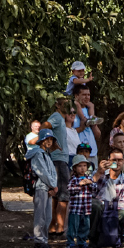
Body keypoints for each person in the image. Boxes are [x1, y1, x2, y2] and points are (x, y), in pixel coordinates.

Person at [25, 129, 59, 248]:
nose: (49, 142)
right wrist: (53, 185)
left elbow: (52, 172)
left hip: (48, 188)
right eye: (47, 139)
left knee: (48, 216)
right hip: (41, 187)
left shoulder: (47, 154)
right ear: (41, 140)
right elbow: (42, 172)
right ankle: (39, 240)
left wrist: (53, 186)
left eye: (51, 139)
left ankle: (44, 239)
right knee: (41, 215)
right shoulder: (38, 154)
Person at [45, 97, 75, 237]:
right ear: (57, 105)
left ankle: (53, 226)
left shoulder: (61, 119)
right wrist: (50, 144)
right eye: (65, 104)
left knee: (57, 194)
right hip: (58, 160)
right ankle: (60, 227)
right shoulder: (56, 117)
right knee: (63, 194)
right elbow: (44, 127)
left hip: (60, 159)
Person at [94, 151, 124, 247]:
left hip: (115, 209)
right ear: (108, 161)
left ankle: (116, 236)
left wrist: (111, 208)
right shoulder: (99, 174)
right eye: (114, 160)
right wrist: (99, 173)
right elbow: (91, 191)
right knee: (94, 206)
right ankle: (92, 239)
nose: (117, 163)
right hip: (100, 207)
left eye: (119, 160)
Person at [65, 154, 96, 248]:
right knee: (73, 226)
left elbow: (95, 189)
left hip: (86, 208)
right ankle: (70, 243)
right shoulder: (74, 179)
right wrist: (79, 185)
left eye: (84, 166)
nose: (82, 168)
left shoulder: (89, 178)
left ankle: (82, 242)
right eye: (79, 166)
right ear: (74, 168)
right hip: (75, 208)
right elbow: (69, 189)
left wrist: (90, 184)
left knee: (85, 226)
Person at [71, 85, 101, 159]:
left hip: (92, 152)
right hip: (77, 152)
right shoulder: (71, 112)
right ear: (76, 96)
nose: (87, 97)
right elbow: (68, 133)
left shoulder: (89, 110)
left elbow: (97, 135)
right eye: (84, 95)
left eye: (88, 95)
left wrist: (93, 123)